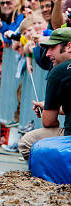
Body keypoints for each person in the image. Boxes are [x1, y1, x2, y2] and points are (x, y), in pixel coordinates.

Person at [18, 27, 71, 159]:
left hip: (69, 139)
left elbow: (49, 122)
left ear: (69, 46)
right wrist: (48, 105)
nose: (47, 54)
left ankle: (51, 176)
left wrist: (49, 109)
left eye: (52, 48)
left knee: (27, 142)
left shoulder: (59, 71)